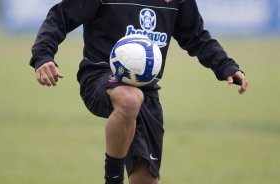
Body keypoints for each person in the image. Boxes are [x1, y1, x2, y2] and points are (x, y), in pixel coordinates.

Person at [29, 0, 248, 183]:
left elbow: (196, 36)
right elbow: (61, 16)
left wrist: (226, 66)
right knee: (130, 99)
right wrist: (43, 56)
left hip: (147, 89)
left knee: (146, 180)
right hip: (99, 74)